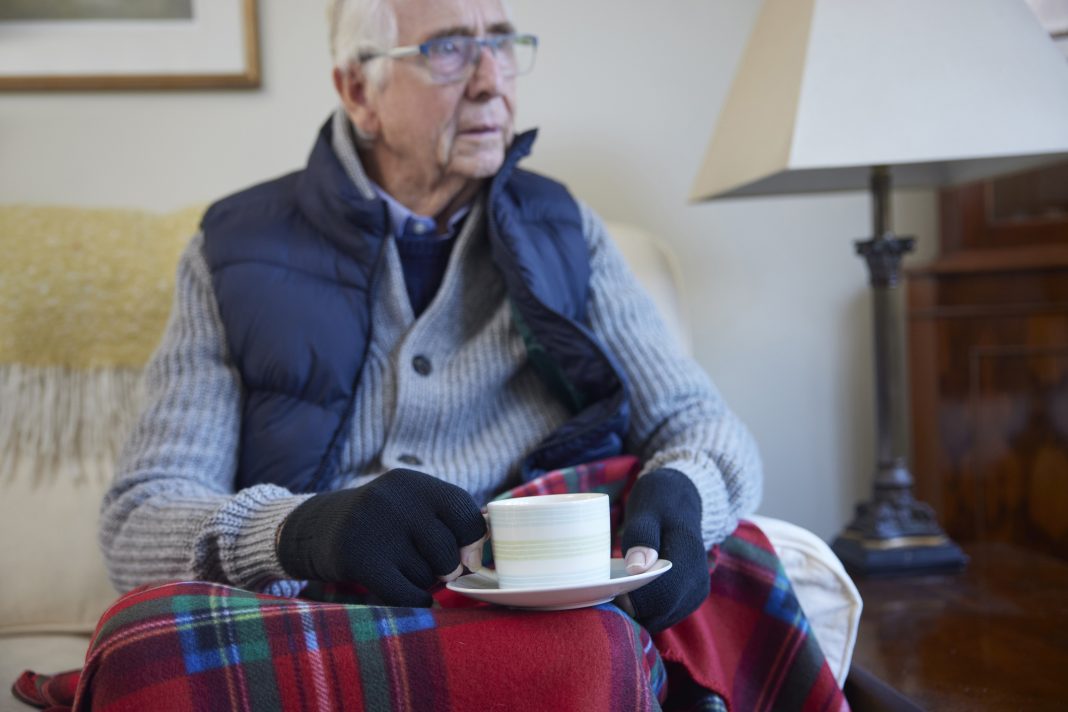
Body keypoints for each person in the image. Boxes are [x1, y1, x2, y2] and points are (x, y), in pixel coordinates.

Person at [100, 0, 762, 641]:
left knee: (740, 568)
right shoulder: (233, 250)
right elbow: (139, 523)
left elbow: (700, 423)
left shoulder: (564, 231)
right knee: (138, 647)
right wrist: (303, 530)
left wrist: (686, 491)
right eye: (447, 49)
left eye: (501, 42)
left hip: (533, 609)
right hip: (325, 619)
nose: (491, 81)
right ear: (359, 91)